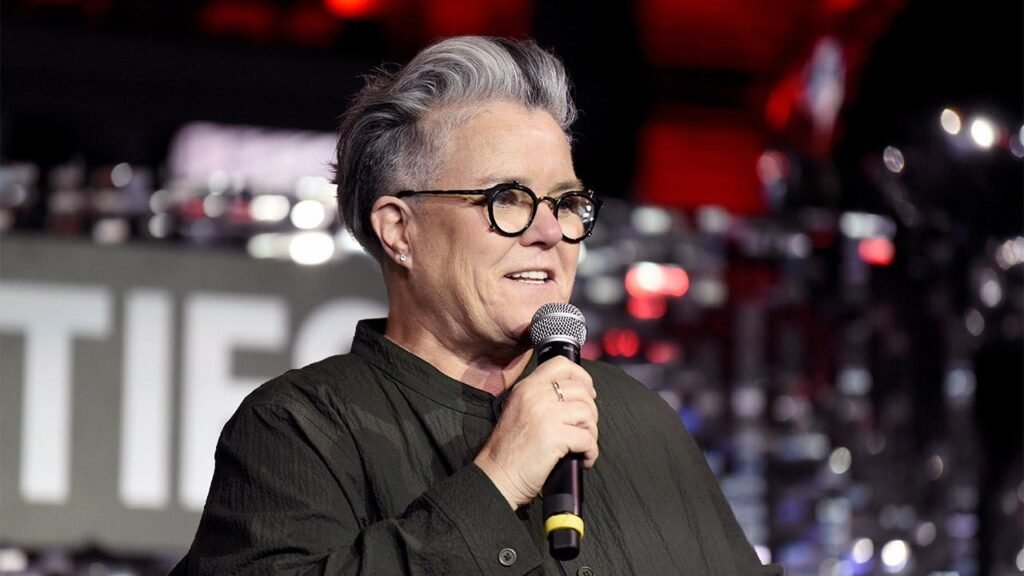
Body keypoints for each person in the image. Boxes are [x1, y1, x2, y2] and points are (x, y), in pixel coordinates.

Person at [171, 36, 781, 575]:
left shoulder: (638, 419)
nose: (550, 231)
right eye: (508, 199)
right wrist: (498, 481)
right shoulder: (297, 430)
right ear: (399, 230)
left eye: (566, 202)